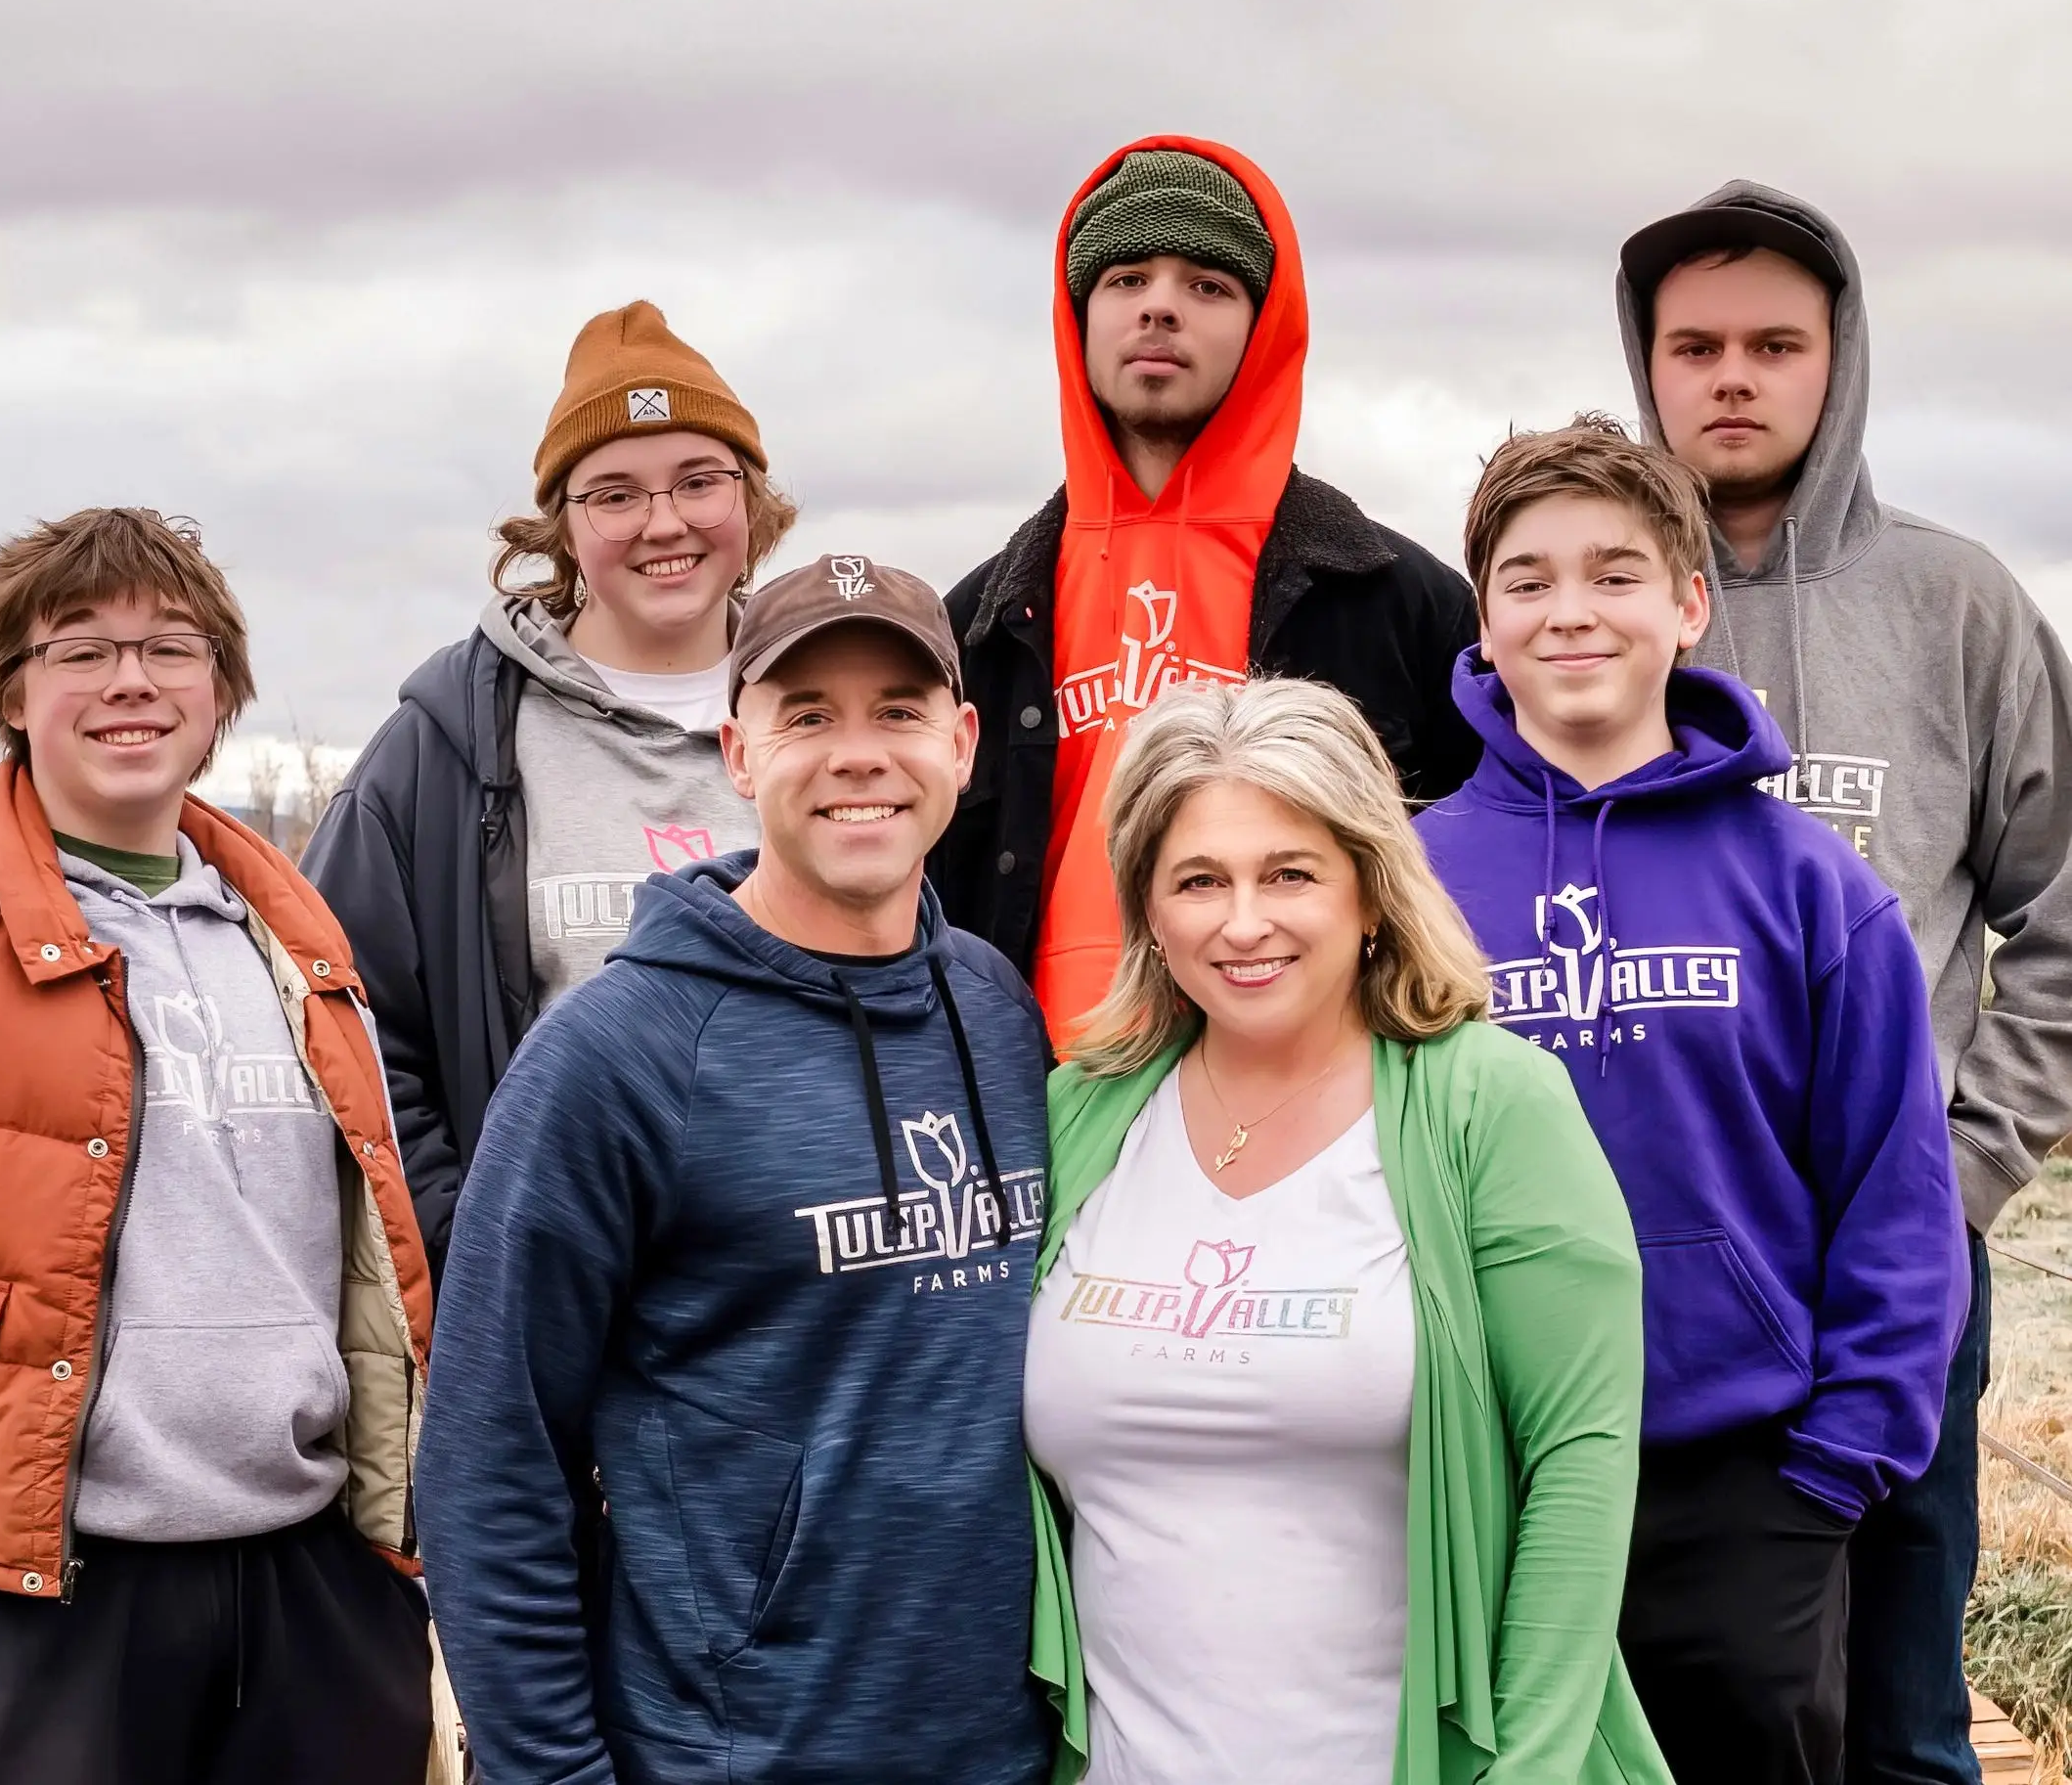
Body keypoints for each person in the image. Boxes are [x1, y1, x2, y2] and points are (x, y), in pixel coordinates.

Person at [0, 508, 441, 1784]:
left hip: (308, 1598)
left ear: (221, 693)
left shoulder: (301, 946)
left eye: (170, 647)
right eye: (79, 649)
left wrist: (386, 1585)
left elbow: (366, 1283)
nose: (129, 682)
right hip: (13, 1614)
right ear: (12, 692)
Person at [423, 556, 1051, 1785]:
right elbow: (489, 1464)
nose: (857, 753)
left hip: (1009, 1746)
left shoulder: (994, 1005)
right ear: (738, 750)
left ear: (964, 743)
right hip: (737, 1751)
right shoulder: (615, 1056)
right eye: (807, 715)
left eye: (899, 711)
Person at [1416, 417, 1969, 1783]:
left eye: (1614, 572)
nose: (1571, 611)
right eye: (1528, 578)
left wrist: (1835, 1468)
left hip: (1741, 1477)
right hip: (1485, 1474)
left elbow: (1896, 1200)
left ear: (1687, 601)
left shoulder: (1808, 883)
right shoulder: (1406, 878)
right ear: (1483, 615)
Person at [1616, 183, 2072, 1784]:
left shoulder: (1956, 607)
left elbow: (2059, 912)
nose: (1729, 376)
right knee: (1673, 1711)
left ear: (1838, 359)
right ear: (1643, 361)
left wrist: (1961, 1169)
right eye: (1693, 345)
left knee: (1899, 1718)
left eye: (1771, 343)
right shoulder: (1599, 617)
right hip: (1653, 1274)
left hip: (1898, 1261)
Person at [1023, 674, 1670, 1785]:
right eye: (1197, 880)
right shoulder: (1083, 1113)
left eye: (1290, 873)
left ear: (1370, 892)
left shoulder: (1489, 1102)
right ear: (1148, 909)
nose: (1243, 920)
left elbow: (1581, 1460)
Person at [933, 134, 1482, 1047]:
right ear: (1079, 317)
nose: (1158, 309)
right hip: (1043, 1104)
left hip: (1318, 1106)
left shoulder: (1406, 605)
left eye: (1206, 285)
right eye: (1125, 279)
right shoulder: (975, 628)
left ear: (1263, 323)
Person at [305, 299, 791, 1281]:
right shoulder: (442, 747)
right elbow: (344, 1033)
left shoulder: (834, 711)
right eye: (615, 494)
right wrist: (485, 1243)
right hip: (555, 1301)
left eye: (700, 481)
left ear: (749, 501)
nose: (665, 523)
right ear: (563, 528)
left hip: (799, 1300)